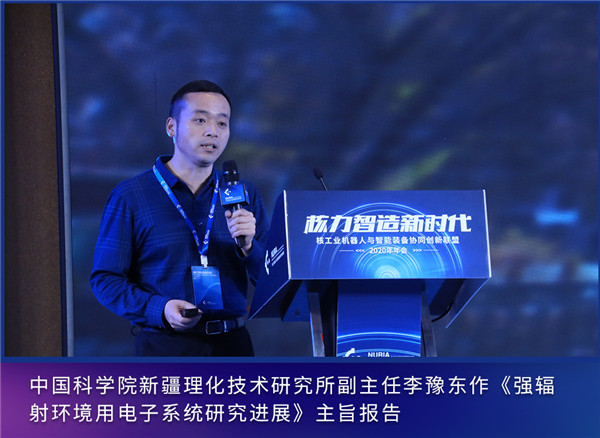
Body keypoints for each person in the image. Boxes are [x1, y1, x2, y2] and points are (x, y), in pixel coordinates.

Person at [90, 80, 268, 356]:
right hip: (165, 346)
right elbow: (106, 280)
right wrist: (160, 309)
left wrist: (248, 248)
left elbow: (272, 279)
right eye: (200, 120)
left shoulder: (243, 195)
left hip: (234, 345)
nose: (212, 131)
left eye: (222, 123)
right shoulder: (132, 195)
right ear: (171, 127)